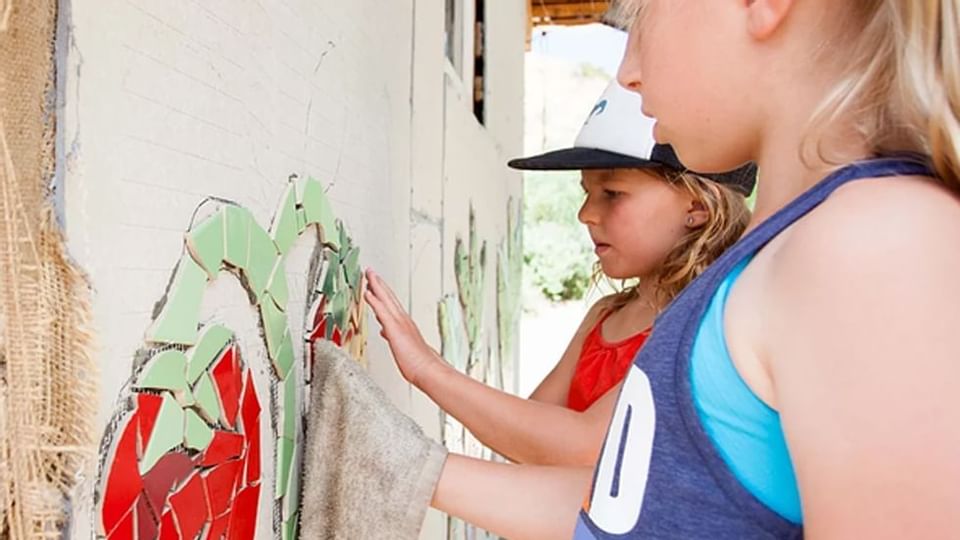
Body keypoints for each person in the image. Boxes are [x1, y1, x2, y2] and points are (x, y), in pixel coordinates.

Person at [375, 1, 960, 538]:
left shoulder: (873, 246)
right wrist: (402, 464)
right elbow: (633, 506)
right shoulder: (787, 259)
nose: (627, 70)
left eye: (640, 12)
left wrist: (427, 380)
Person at [365, 81, 754, 468]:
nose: (585, 213)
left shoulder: (706, 323)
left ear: (698, 205)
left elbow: (584, 444)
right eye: (586, 192)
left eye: (612, 193)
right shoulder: (605, 315)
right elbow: (526, 435)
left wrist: (428, 370)